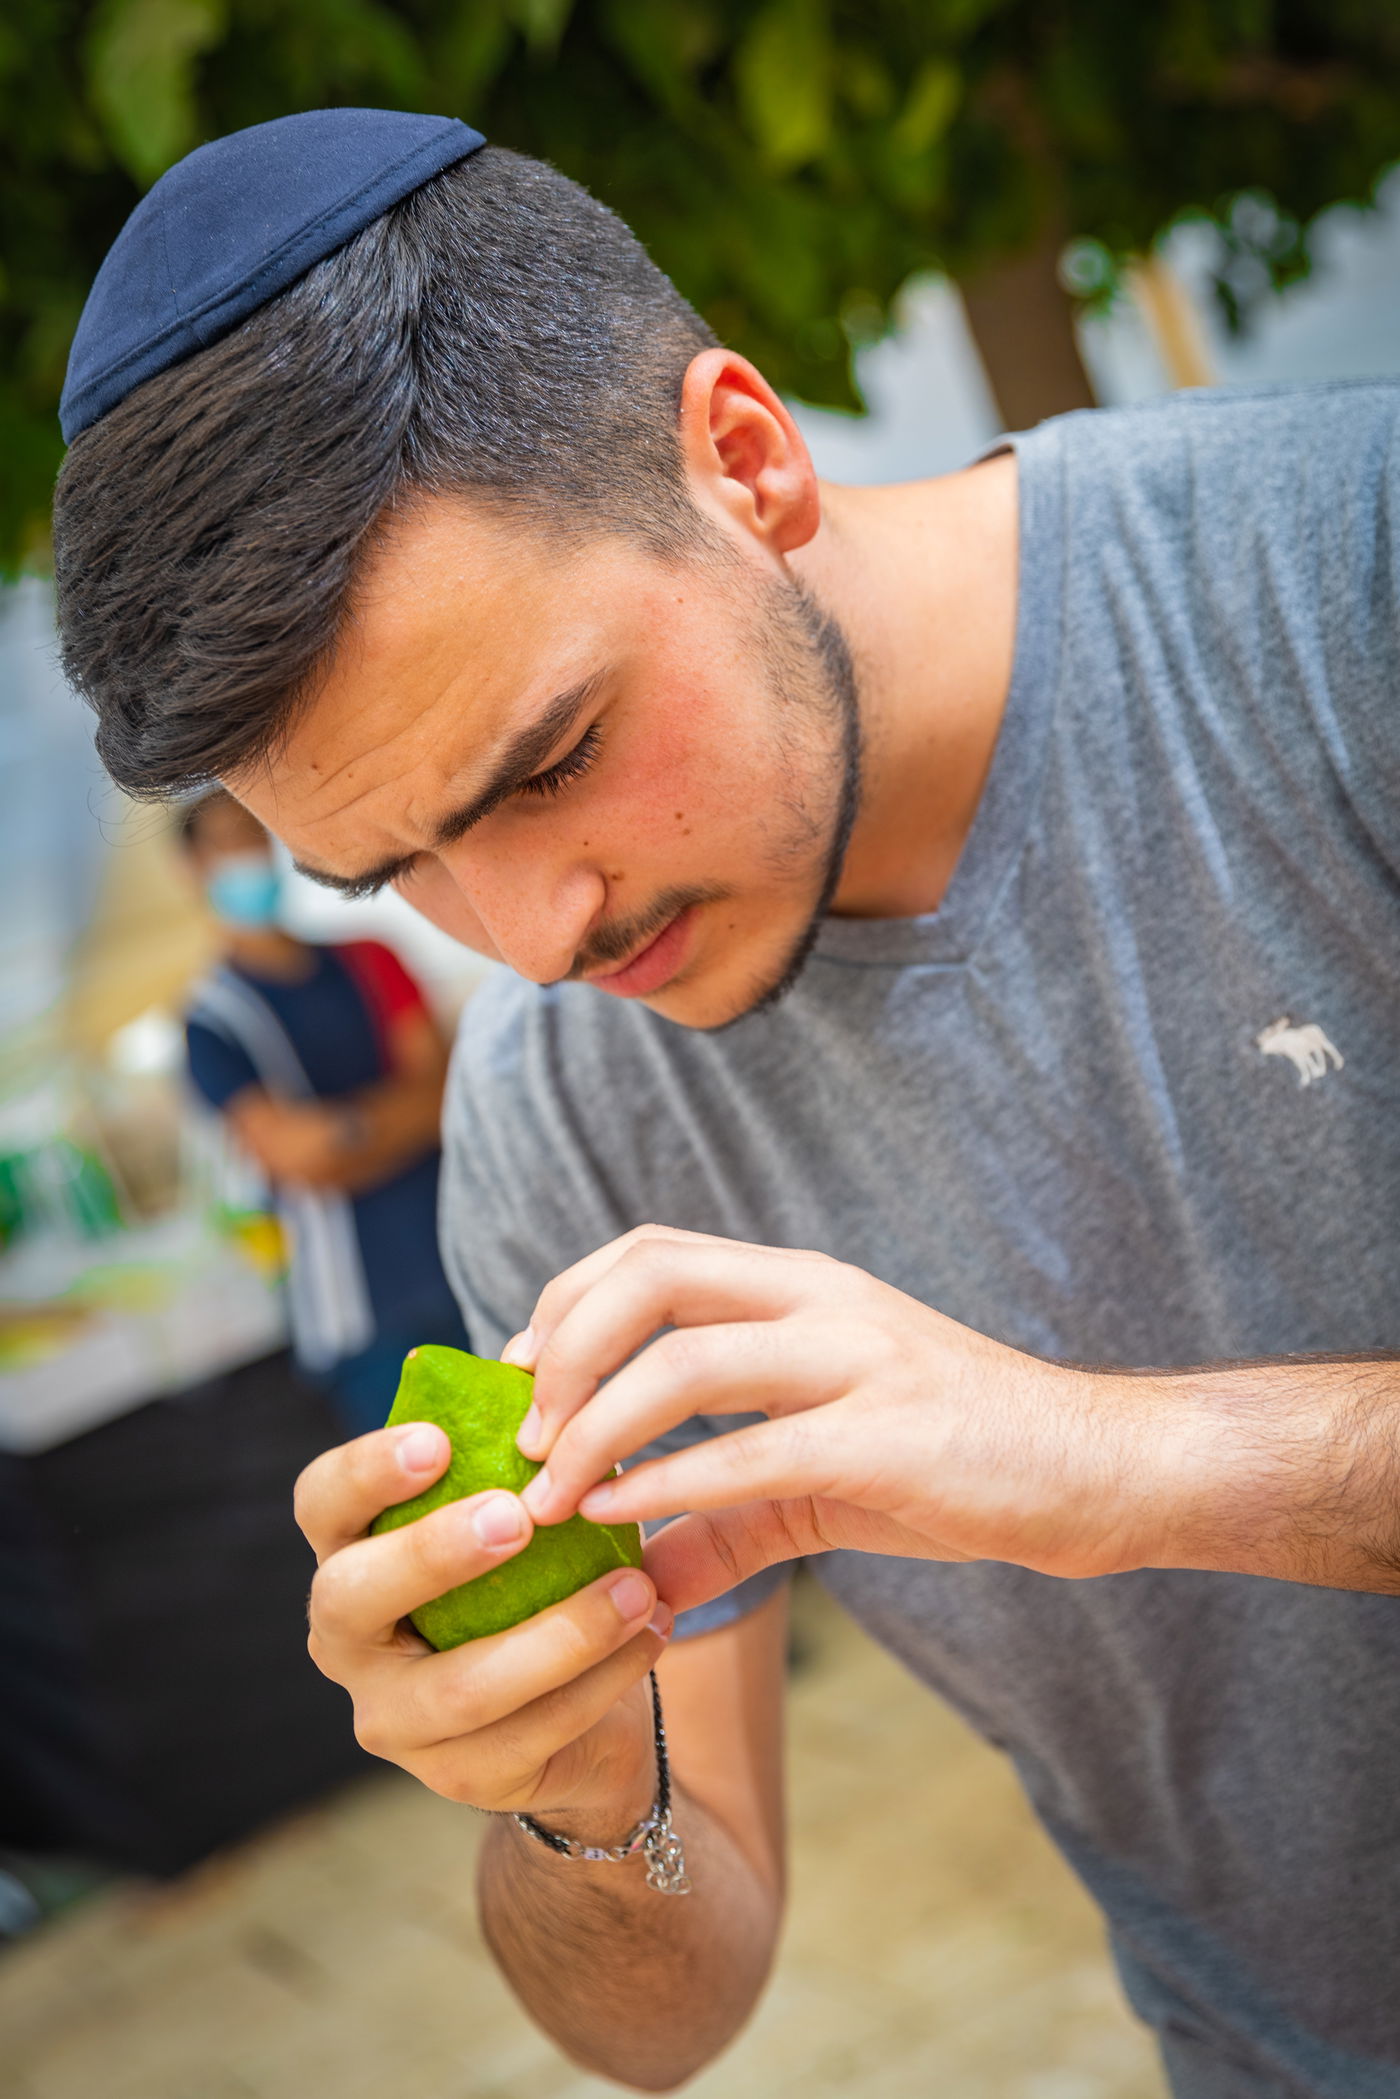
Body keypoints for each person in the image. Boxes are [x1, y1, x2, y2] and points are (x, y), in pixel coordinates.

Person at [51, 109, 1400, 2097]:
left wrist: (1116, 1455)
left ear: (747, 457)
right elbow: (664, 2008)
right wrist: (579, 1790)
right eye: (399, 864)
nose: (526, 932)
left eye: (550, 755)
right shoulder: (560, 1115)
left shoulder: (1337, 594)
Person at [178, 787, 469, 1434]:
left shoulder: (368, 957)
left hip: (468, 1250)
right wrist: (400, 1116)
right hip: (359, 1315)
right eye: (226, 841)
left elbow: (448, 1090)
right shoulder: (211, 1023)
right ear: (192, 869)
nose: (248, 853)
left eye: (255, 834)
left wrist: (348, 1136)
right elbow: (299, 1157)